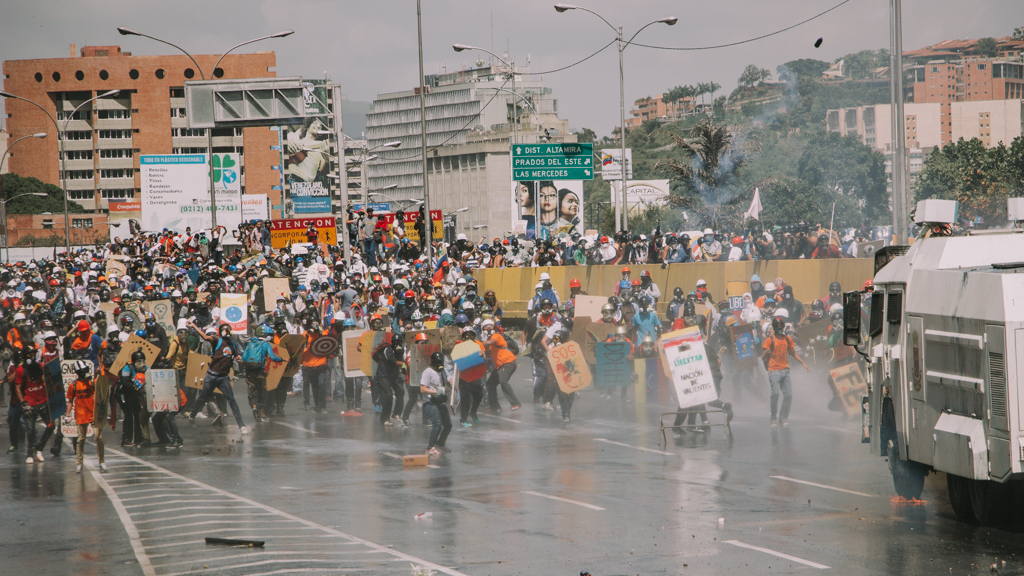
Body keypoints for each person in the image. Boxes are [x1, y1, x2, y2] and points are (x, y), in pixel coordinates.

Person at [188, 324, 248, 435]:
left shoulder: (232, 345)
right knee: (202, 397)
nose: (228, 331)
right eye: (226, 330)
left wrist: (239, 359)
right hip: (211, 376)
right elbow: (205, 337)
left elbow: (236, 357)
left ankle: (241, 425)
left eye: (229, 329)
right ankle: (192, 416)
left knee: (232, 401)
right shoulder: (217, 340)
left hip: (223, 377)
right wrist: (194, 326)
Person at [762, 316, 810, 427]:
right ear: (774, 327)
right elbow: (763, 356)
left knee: (788, 395)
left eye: (781, 326)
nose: (779, 328)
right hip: (773, 370)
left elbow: (793, 353)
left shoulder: (788, 339)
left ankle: (783, 418)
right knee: (775, 394)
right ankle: (773, 418)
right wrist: (767, 353)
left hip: (785, 370)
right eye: (777, 327)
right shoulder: (770, 340)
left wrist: (803, 363)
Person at [66, 359, 107, 473]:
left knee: (99, 438)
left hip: (94, 414)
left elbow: (102, 395)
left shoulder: (93, 382)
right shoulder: (73, 385)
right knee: (80, 439)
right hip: (81, 415)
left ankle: (102, 462)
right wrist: (67, 415)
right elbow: (70, 401)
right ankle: (79, 463)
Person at [241, 325, 285, 422]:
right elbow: (273, 357)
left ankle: (254, 407)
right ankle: (263, 414)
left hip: (249, 371)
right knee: (262, 392)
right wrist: (281, 359)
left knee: (252, 391)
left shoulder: (250, 343)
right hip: (259, 371)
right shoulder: (265, 344)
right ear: (266, 335)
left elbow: (244, 356)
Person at [481, 319, 520, 412]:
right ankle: (494, 406)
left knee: (503, 381)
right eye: (486, 327)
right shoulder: (487, 341)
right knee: (490, 384)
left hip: (508, 362)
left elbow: (489, 343)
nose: (489, 329)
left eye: (491, 326)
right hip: (500, 366)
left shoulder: (496, 336)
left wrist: (475, 344)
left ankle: (515, 403)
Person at [420, 352, 452, 455]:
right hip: (430, 402)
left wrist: (452, 383)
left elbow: (448, 379)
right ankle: (430, 448)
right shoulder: (427, 372)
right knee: (437, 424)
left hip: (440, 401)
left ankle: (441, 444)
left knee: (448, 425)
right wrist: (435, 392)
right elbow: (422, 389)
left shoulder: (443, 371)